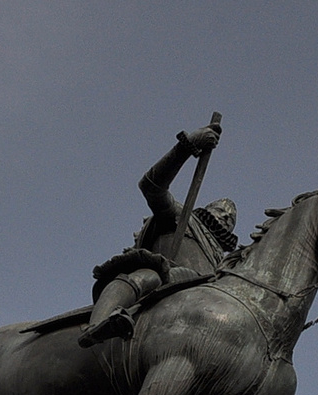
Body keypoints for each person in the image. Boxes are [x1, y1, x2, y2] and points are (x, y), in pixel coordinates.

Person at [78, 122, 239, 346]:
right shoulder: (182, 216)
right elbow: (152, 186)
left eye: (231, 219)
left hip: (197, 305)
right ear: (207, 210)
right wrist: (187, 147)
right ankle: (99, 324)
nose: (227, 218)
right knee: (147, 277)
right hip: (165, 277)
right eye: (221, 212)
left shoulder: (223, 261)